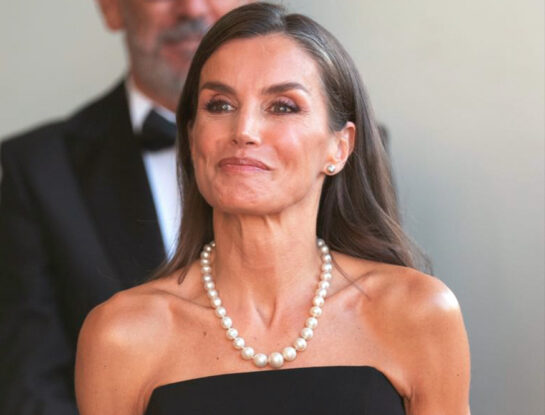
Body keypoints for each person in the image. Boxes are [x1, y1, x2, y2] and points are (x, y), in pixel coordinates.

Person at [75, 3, 471, 414]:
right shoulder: (121, 334)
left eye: (283, 106)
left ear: (340, 147)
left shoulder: (418, 313)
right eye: (219, 105)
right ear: (192, 139)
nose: (243, 131)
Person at [0, 1, 248, 414]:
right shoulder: (38, 170)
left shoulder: (323, 154)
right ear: (112, 8)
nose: (190, 8)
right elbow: (30, 387)